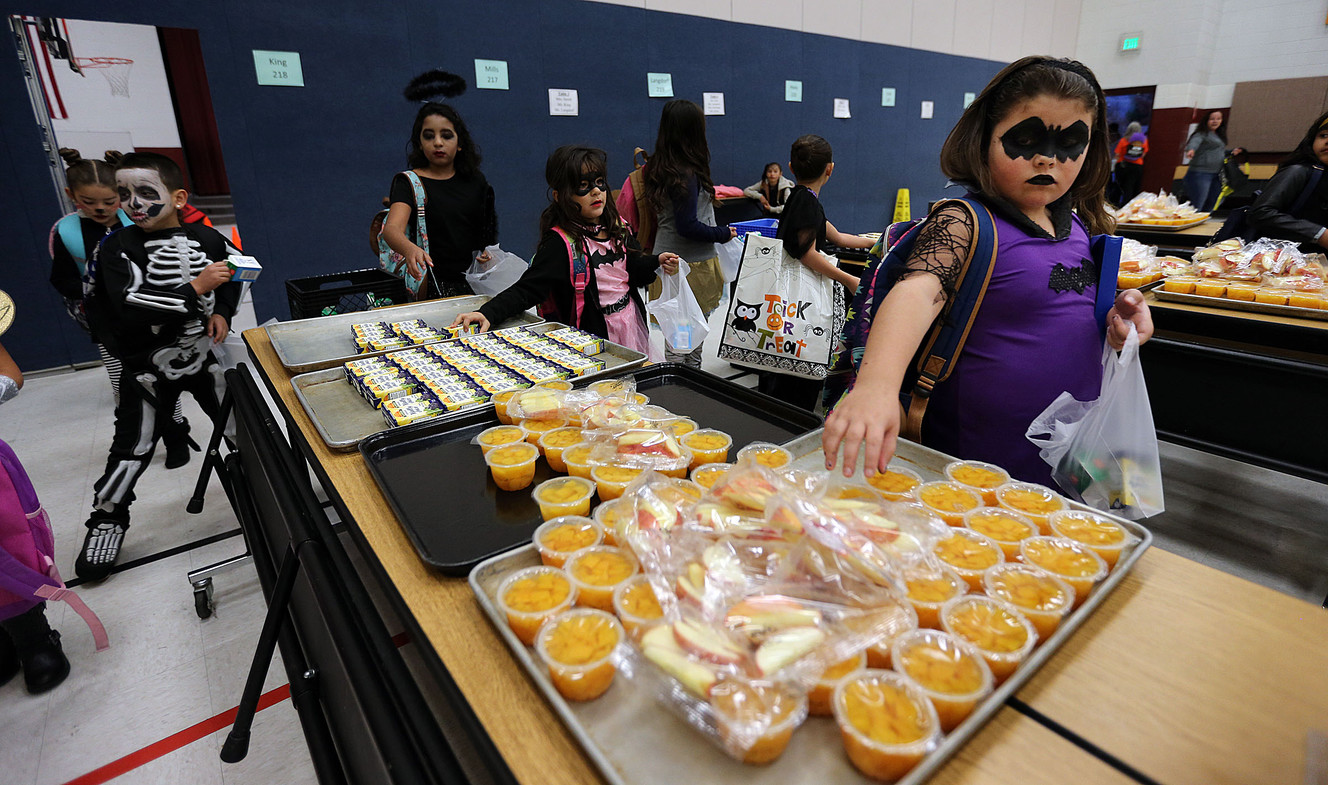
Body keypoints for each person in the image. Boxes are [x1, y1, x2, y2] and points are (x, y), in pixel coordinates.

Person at [822, 56, 1154, 486]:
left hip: (1067, 457)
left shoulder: (1079, 226)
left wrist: (1120, 323)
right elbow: (918, 292)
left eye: (1070, 144)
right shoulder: (962, 222)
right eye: (1027, 138)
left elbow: (1059, 308)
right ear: (985, 139)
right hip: (974, 460)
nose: (1046, 159)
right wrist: (876, 386)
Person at [77, 153, 244, 581]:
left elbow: (240, 269)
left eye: (146, 194)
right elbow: (127, 304)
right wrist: (195, 287)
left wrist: (223, 309)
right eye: (124, 195)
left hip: (205, 357)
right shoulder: (115, 247)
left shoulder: (208, 239)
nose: (134, 204)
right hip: (147, 367)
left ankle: (263, 490)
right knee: (133, 447)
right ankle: (107, 518)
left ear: (178, 197)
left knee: (241, 430)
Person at [450, 145, 679, 353]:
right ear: (560, 196)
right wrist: (488, 312)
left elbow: (632, 269)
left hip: (631, 324)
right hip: (593, 336)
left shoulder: (618, 227)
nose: (596, 191)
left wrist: (656, 262)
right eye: (583, 186)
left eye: (599, 182)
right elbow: (528, 288)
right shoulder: (562, 244)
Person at [48, 149, 193, 469]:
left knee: (165, 377)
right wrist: (96, 294)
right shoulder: (67, 231)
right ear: (72, 196)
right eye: (89, 201)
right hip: (109, 325)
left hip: (154, 318)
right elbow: (62, 279)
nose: (100, 208)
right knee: (126, 385)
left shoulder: (142, 220)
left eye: (110, 200)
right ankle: (140, 435)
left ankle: (176, 436)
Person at [756, 135, 869, 411]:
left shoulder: (800, 197)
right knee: (797, 380)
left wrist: (875, 240)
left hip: (786, 303)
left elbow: (839, 237)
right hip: (803, 305)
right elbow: (807, 253)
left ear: (791, 167)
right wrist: (848, 279)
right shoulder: (807, 202)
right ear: (829, 169)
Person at [382, 72, 497, 300]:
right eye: (429, 136)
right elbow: (391, 230)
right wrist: (410, 249)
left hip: (473, 284)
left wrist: (486, 253)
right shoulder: (409, 182)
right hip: (431, 284)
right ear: (419, 143)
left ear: (460, 143)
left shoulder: (476, 181)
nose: (437, 142)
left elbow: (487, 233)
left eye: (446, 136)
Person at [643, 99, 731, 368]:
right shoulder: (685, 172)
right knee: (688, 346)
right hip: (689, 267)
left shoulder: (658, 166)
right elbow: (688, 226)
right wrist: (723, 232)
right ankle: (686, 394)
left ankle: (680, 391)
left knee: (679, 337)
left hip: (667, 262)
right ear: (693, 131)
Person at [1247, 110, 1328, 252]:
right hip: (1283, 261)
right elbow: (1260, 213)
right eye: (1323, 135)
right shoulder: (1298, 171)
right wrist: (1319, 234)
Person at [1183, 110, 1232, 211]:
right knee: (1198, 202)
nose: (1215, 121)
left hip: (1216, 174)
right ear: (1206, 121)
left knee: (1213, 201)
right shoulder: (1202, 133)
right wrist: (1191, 150)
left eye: (1218, 119)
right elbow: (1194, 143)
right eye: (1212, 119)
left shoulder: (1218, 135)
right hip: (1201, 173)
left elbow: (1216, 151)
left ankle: (1203, 220)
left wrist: (1232, 152)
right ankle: (1193, 222)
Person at [1113, 121, 1149, 204]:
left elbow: (1117, 154)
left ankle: (1118, 204)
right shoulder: (1144, 141)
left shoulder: (1124, 140)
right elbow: (1143, 154)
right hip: (1138, 166)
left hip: (1124, 166)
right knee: (1134, 188)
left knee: (1122, 188)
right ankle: (1131, 206)